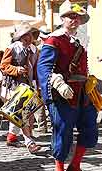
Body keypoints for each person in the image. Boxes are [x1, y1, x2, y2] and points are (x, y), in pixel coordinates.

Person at [37, 1, 98, 171]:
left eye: (78, 17)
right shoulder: (54, 40)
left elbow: (84, 66)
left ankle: (76, 165)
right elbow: (43, 68)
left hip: (82, 93)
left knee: (90, 127)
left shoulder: (81, 40)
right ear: (62, 18)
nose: (75, 20)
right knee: (63, 132)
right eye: (71, 16)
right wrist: (57, 82)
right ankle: (59, 168)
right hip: (62, 93)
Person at [0, 23, 41, 154]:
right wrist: (16, 69)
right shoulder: (12, 48)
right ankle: (29, 141)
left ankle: (11, 137)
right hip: (15, 85)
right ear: (20, 37)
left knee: (26, 113)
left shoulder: (35, 50)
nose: (27, 38)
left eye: (29, 34)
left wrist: (39, 84)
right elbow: (3, 65)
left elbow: (37, 69)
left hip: (30, 86)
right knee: (21, 113)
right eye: (24, 35)